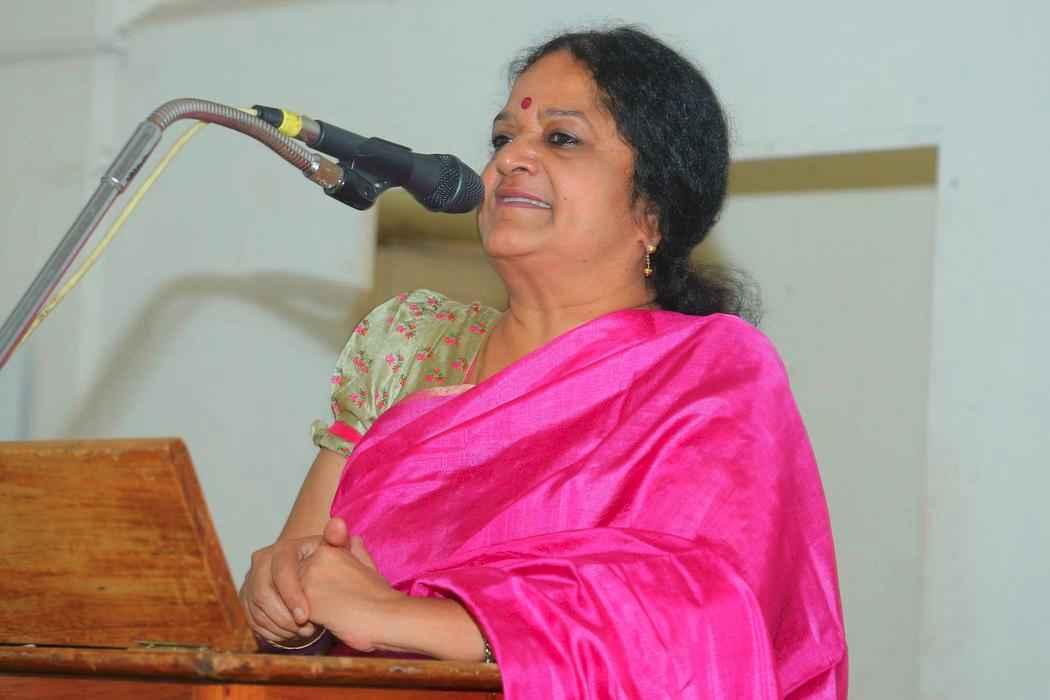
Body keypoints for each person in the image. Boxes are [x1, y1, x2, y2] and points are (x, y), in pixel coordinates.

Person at [239, 26, 848, 699]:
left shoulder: (709, 372)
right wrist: (284, 607)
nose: (510, 160)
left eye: (561, 138)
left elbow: (700, 623)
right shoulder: (409, 345)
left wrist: (412, 621)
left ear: (652, 211)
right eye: (502, 138)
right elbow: (300, 587)